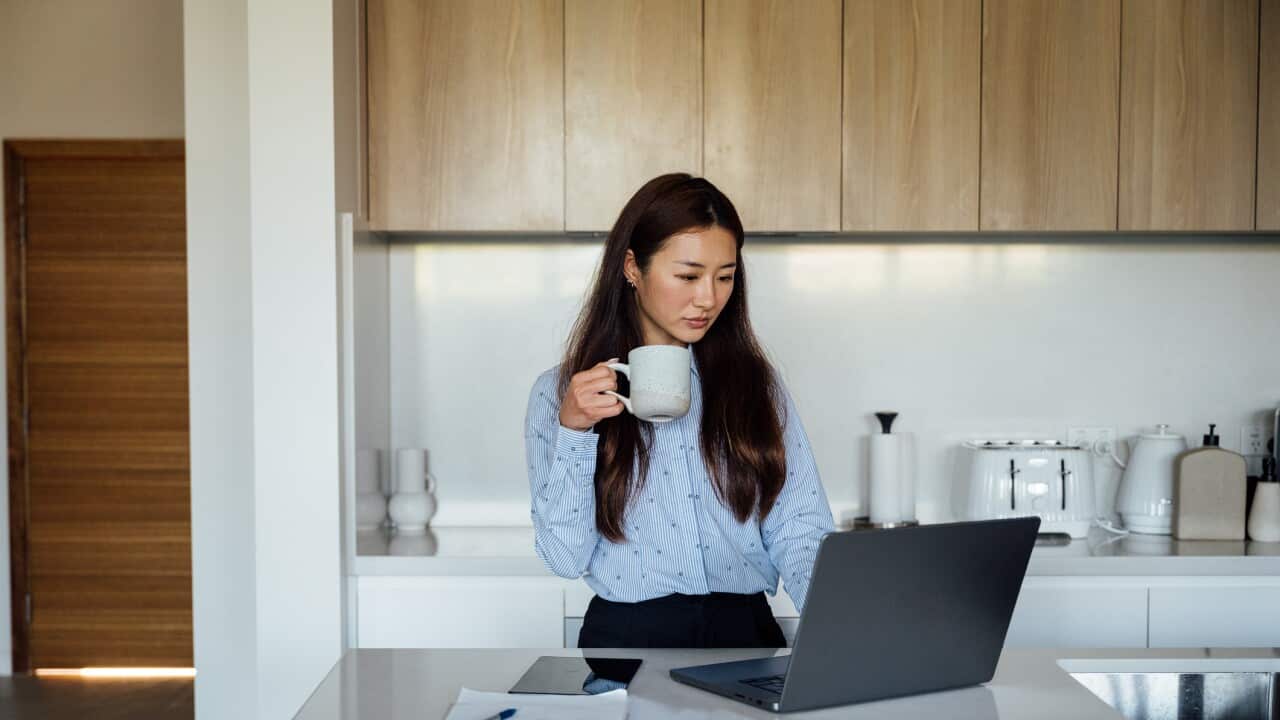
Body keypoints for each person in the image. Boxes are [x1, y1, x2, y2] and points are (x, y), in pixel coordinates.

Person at [524, 173, 834, 649]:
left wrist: (840, 631)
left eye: (725, 276)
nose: (708, 298)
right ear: (633, 267)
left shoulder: (756, 384)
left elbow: (800, 528)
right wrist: (575, 432)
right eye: (688, 276)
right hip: (624, 643)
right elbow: (565, 558)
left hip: (746, 636)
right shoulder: (561, 394)